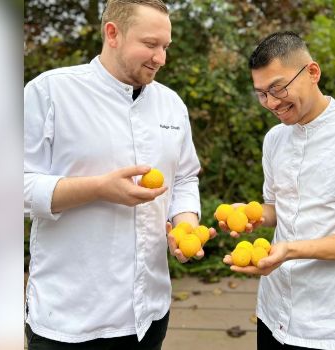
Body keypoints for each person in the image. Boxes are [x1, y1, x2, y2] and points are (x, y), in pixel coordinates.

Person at [23, 0, 214, 349]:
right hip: (69, 318)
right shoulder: (49, 92)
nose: (161, 58)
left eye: (165, 47)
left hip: (149, 315)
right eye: (151, 44)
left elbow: (185, 177)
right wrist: (98, 188)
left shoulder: (171, 104)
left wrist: (185, 223)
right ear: (113, 33)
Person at [221, 31, 335, 350]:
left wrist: (290, 250)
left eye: (278, 88)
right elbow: (278, 207)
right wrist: (250, 214)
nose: (272, 103)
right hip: (273, 312)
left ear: (312, 72)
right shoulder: (275, 139)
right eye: (262, 93)